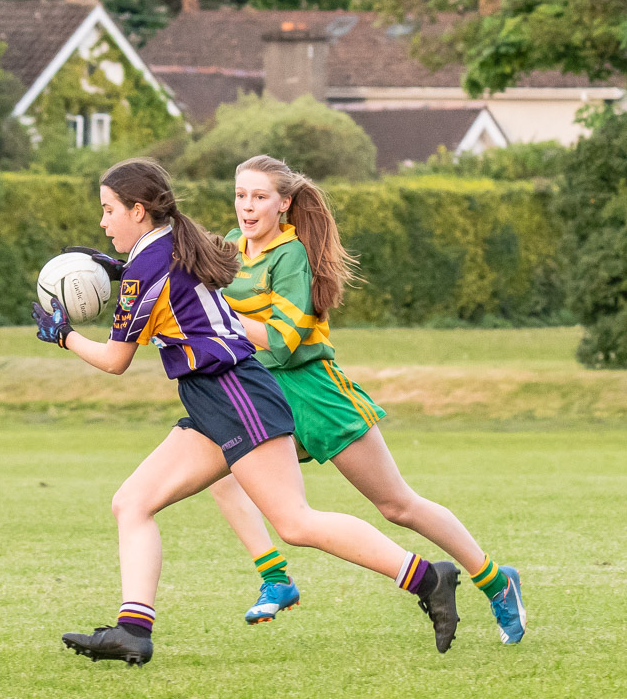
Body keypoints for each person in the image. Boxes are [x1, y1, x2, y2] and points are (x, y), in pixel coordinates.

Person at [32, 158, 461, 665]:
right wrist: (117, 269)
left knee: (296, 524)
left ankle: (428, 577)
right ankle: (133, 630)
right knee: (133, 502)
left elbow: (115, 360)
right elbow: (165, 288)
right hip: (213, 395)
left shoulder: (150, 264)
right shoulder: (167, 246)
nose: (103, 223)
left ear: (138, 211)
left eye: (109, 211)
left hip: (237, 393)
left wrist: (62, 333)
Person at [208, 153, 525, 643]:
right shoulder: (231, 247)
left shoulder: (291, 256)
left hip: (315, 394)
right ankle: (276, 579)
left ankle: (496, 581)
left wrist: (219, 321)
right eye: (240, 195)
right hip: (261, 393)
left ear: (283, 203)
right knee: (220, 470)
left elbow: (282, 341)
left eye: (259, 197)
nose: (247, 207)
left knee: (398, 506)